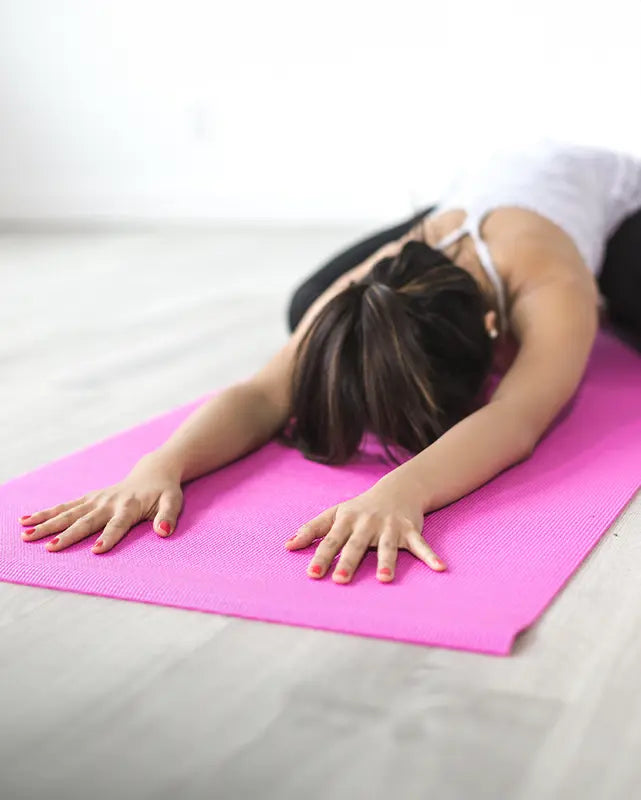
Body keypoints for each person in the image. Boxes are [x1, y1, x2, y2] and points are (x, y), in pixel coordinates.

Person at [17, 140, 641, 584]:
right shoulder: (382, 275)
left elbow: (518, 417)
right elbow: (264, 393)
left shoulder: (553, 285)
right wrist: (160, 465)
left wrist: (403, 490)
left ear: (490, 330)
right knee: (310, 314)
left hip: (613, 202)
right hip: (471, 200)